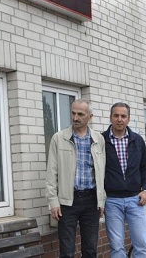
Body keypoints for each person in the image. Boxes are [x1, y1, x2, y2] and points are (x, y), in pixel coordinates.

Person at [45, 99, 106, 258]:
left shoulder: (98, 139)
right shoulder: (59, 138)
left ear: (90, 117)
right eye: (73, 113)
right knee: (66, 252)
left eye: (80, 114)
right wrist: (53, 202)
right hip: (67, 202)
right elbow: (52, 172)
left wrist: (101, 200)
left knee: (90, 250)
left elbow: (102, 172)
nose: (75, 117)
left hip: (91, 200)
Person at [102, 102, 146, 258]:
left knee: (141, 244)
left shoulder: (137, 140)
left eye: (123, 116)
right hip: (112, 201)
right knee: (117, 247)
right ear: (110, 117)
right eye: (116, 115)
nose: (119, 119)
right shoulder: (101, 140)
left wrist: (145, 189)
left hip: (135, 200)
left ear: (128, 119)